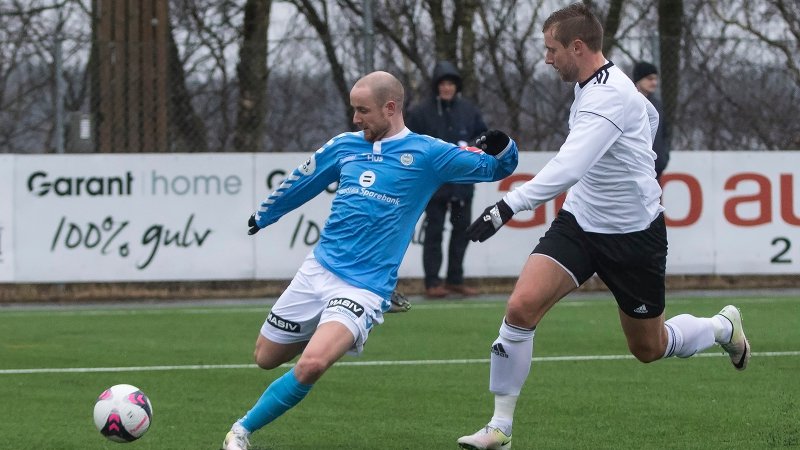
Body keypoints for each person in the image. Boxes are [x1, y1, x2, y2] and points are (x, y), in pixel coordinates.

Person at [456, 4, 750, 450]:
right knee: (520, 307)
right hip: (580, 223)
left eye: (552, 49)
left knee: (649, 348)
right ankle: (500, 427)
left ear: (577, 47)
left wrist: (508, 205)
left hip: (634, 236)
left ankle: (723, 327)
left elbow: (570, 165)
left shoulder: (609, 96)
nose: (547, 58)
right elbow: (648, 119)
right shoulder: (594, 86)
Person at [222, 71, 519, 450]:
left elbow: (497, 168)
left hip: (365, 287)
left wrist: (503, 146)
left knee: (312, 364)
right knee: (265, 357)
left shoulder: (428, 154)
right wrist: (264, 215)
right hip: (317, 270)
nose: (355, 118)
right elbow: (304, 180)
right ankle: (334, 325)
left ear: (390, 108)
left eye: (363, 110)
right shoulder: (344, 146)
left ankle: (240, 431)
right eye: (354, 110)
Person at [406, 61, 488, 298]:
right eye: (443, 84)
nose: (447, 88)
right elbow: (410, 142)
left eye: (451, 84)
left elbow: (483, 135)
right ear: (436, 86)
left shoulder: (469, 110)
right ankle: (432, 283)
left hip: (462, 183)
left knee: (462, 230)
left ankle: (455, 280)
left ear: (456, 86)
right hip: (434, 185)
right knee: (434, 231)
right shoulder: (421, 112)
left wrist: (470, 146)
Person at [633, 61, 671, 182]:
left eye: (655, 79)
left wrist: (663, 159)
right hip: (634, 172)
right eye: (650, 79)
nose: (654, 83)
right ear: (639, 79)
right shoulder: (629, 103)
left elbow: (665, 134)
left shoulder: (657, 105)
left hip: (655, 172)